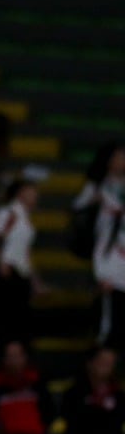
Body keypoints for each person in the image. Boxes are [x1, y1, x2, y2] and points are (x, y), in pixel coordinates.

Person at [0, 179, 42, 341]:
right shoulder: (9, 213)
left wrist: (34, 280)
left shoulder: (25, 219)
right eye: (31, 191)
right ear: (21, 193)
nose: (35, 195)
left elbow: (26, 253)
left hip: (21, 274)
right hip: (8, 272)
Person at [64, 346, 125, 434]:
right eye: (102, 362)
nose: (106, 367)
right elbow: (74, 428)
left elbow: (117, 427)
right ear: (90, 363)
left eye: (110, 363)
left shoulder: (118, 395)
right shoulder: (74, 394)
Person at [84, 143, 125, 346]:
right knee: (108, 315)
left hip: (120, 253)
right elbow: (81, 208)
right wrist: (103, 272)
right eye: (118, 156)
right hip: (108, 253)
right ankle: (102, 348)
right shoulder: (98, 186)